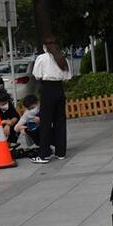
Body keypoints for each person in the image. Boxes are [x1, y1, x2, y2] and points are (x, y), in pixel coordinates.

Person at [31, 36, 71, 164]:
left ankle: (44, 154)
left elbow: (37, 76)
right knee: (60, 121)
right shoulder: (62, 58)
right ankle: (61, 152)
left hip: (47, 89)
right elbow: (67, 77)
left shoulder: (41, 58)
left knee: (46, 122)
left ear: (44, 46)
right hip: (59, 89)